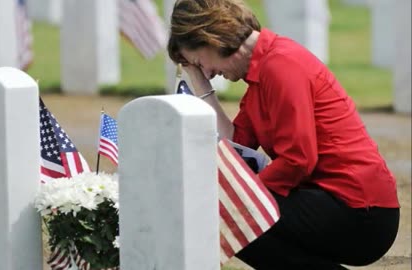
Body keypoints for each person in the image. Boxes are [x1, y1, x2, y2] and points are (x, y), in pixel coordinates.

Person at [167, 0, 400, 269]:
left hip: (360, 212)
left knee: (225, 209)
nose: (207, 71)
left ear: (211, 39)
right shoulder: (260, 71)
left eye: (199, 62)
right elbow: (236, 145)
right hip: (330, 201)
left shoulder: (280, 65)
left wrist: (242, 194)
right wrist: (201, 84)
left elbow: (298, 160)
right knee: (223, 205)